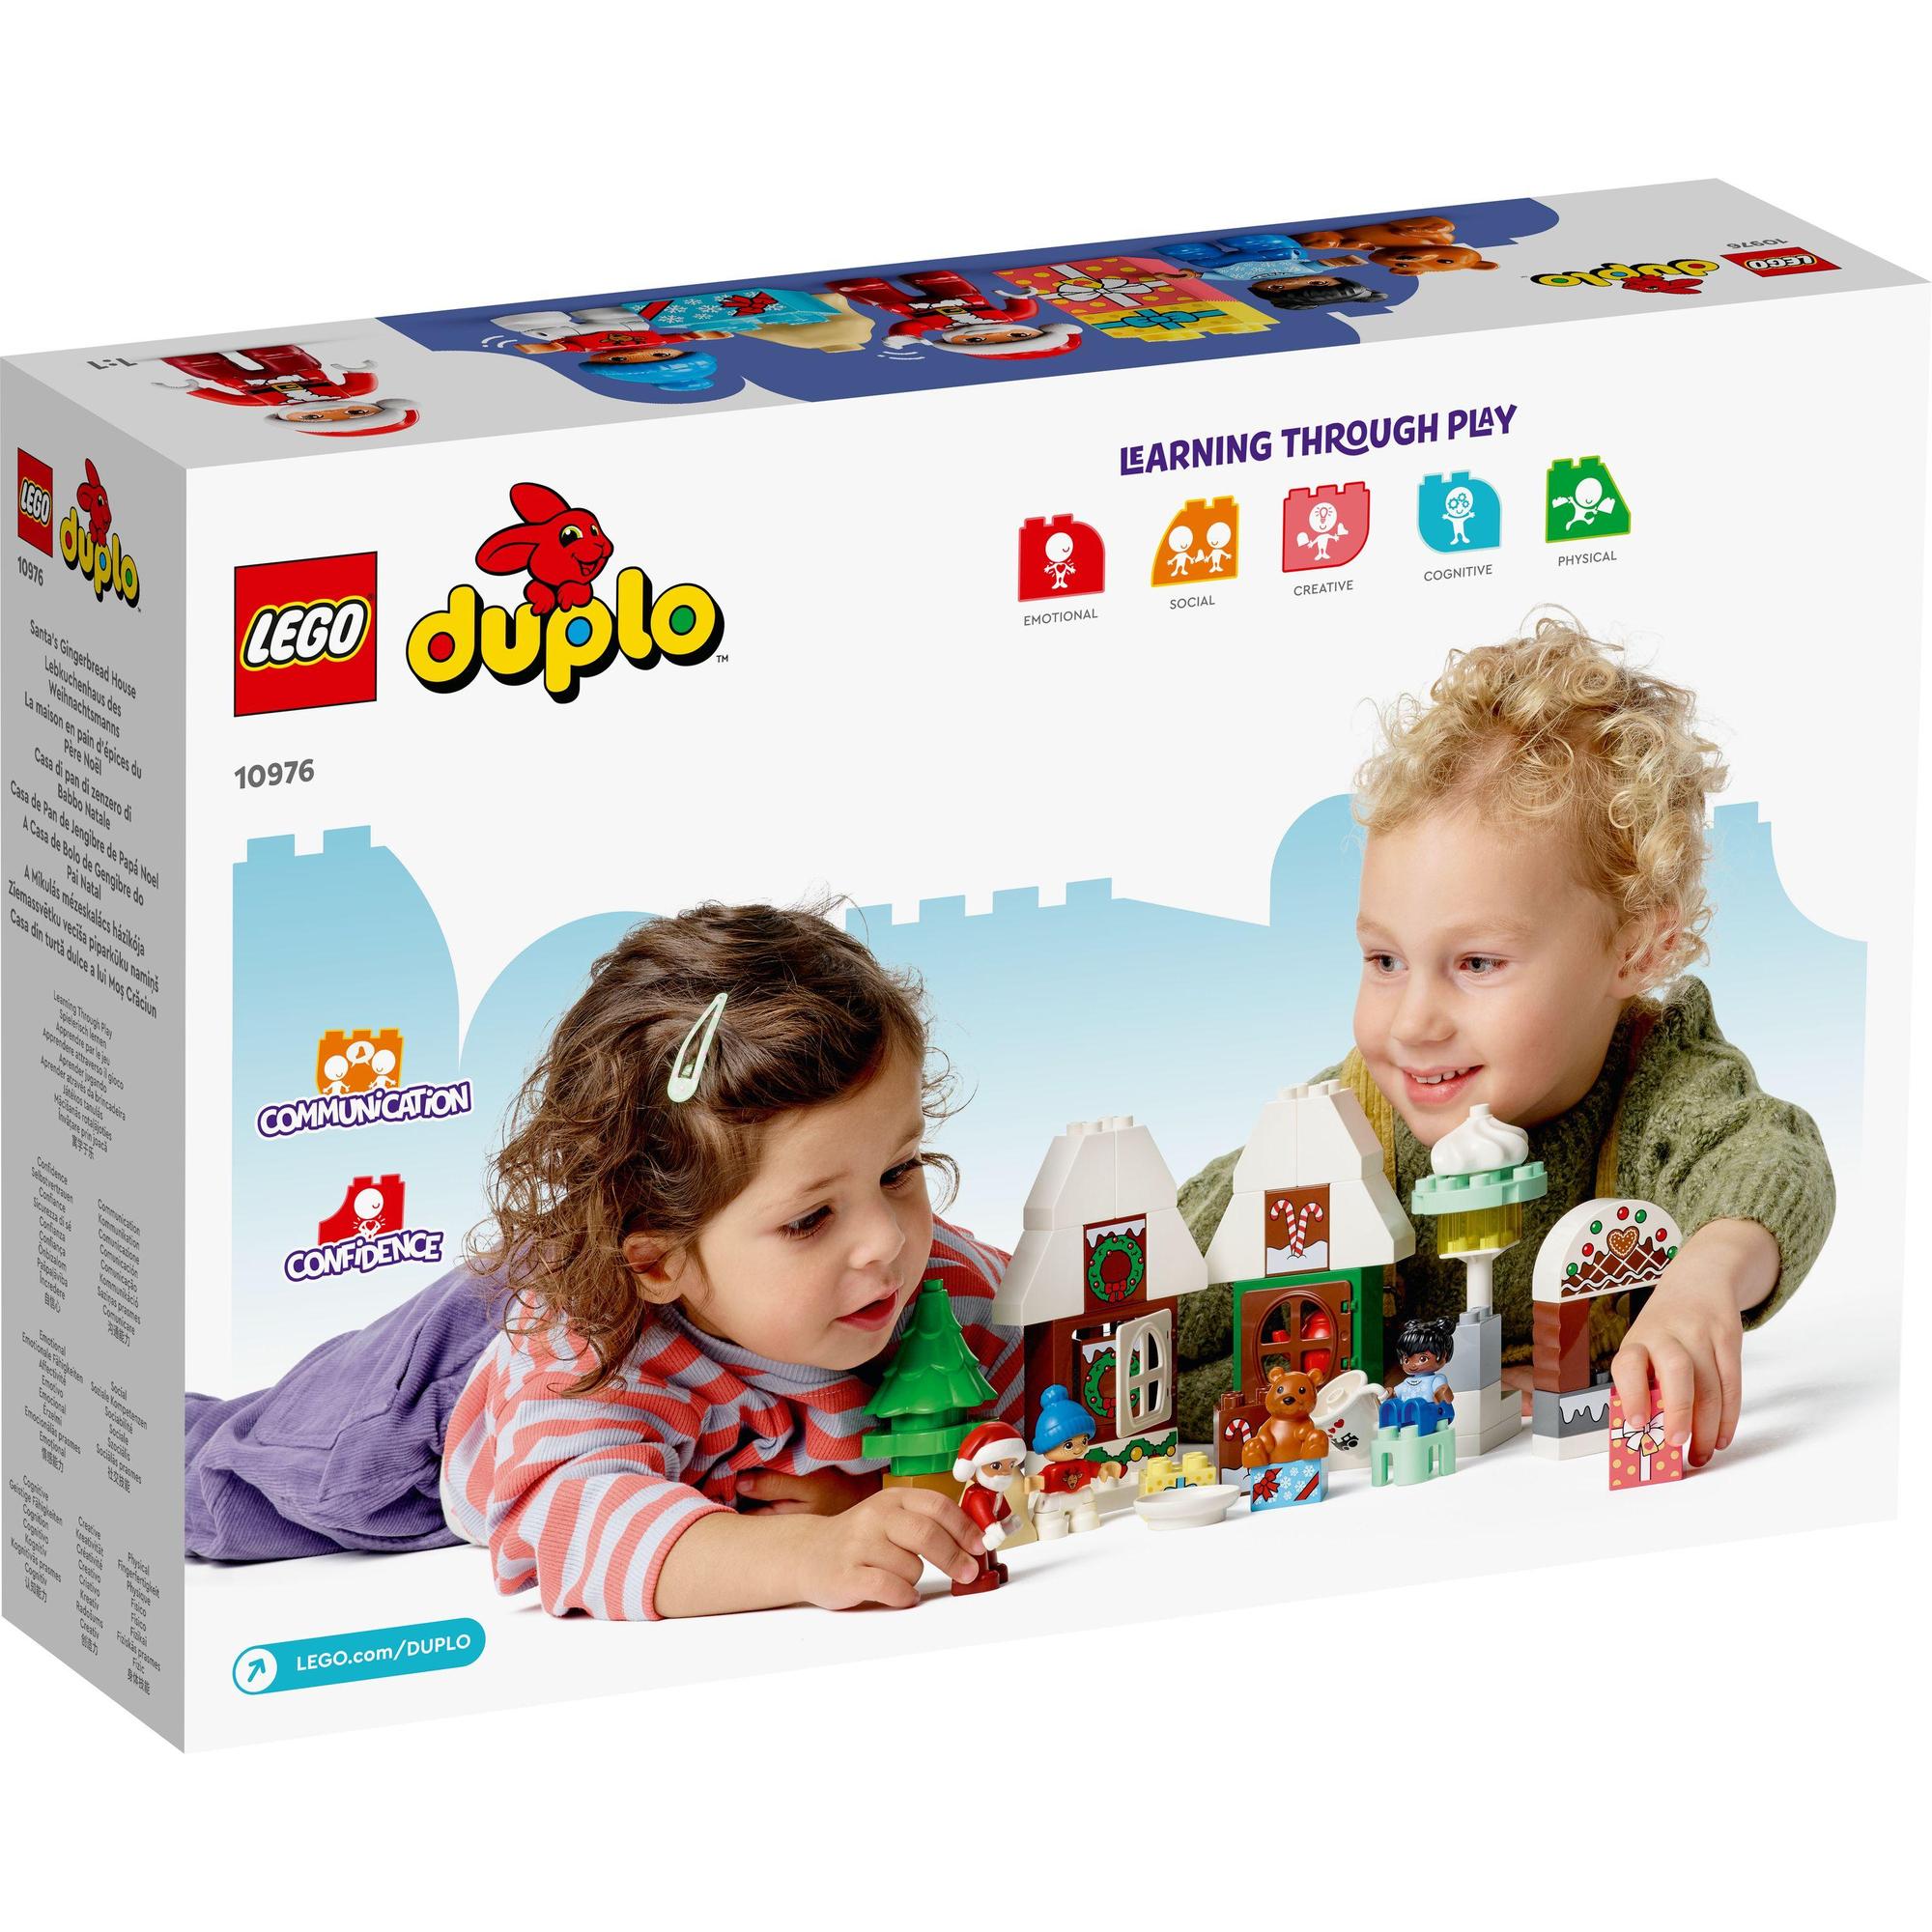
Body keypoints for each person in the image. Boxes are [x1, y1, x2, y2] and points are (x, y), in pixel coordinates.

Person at [186, 904, 1020, 1618]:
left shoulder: (951, 1293)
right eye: (810, 1219)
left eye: (898, 1171)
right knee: (220, 1485)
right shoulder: (595, 1350)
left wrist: (872, 1495)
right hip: (435, 1401)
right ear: (660, 1262)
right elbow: (576, 1524)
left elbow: (1059, 1407)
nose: (888, 1240)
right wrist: (809, 1553)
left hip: (616, 1260)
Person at [1175, 617, 1835, 1470]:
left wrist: (1706, 1275)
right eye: (1384, 961)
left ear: (1637, 947)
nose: (1413, 1024)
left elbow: (1770, 1160)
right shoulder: (1330, 1145)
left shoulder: (1661, 1085)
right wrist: (1373, 1384)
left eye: (1477, 963)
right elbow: (1159, 1305)